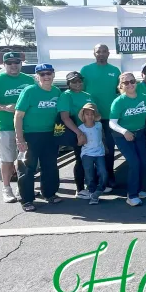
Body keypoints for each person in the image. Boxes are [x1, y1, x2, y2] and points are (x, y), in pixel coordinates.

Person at [0, 52, 35, 204]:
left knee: (25, 159)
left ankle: (22, 187)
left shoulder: (29, 80)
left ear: (20, 64)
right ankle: (6, 189)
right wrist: (4, 107)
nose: (13, 65)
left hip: (27, 126)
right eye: (10, 63)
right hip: (5, 126)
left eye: (16, 62)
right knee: (7, 159)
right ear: (4, 65)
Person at [13, 64, 62, 212]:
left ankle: (49, 193)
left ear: (53, 75)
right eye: (42, 74)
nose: (46, 77)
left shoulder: (57, 91)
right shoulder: (29, 91)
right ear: (37, 77)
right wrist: (20, 139)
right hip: (31, 135)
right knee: (27, 168)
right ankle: (26, 199)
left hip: (50, 135)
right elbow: (18, 116)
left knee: (50, 166)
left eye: (48, 73)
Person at [80, 44, 121, 189]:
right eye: (98, 52)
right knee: (91, 149)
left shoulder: (115, 71)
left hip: (110, 117)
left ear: (109, 54)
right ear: (94, 54)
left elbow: (120, 92)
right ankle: (92, 180)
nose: (101, 54)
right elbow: (80, 92)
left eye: (104, 51)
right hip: (91, 118)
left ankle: (109, 177)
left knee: (108, 148)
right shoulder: (85, 70)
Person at [109, 72, 146, 207]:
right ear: (121, 85)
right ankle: (131, 195)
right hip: (123, 136)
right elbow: (112, 123)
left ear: (136, 82)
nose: (130, 85)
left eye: (132, 81)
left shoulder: (144, 98)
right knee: (134, 163)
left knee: (143, 163)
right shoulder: (119, 101)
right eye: (126, 83)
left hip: (139, 134)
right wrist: (125, 131)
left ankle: (139, 190)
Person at [57, 71, 93, 199]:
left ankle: (91, 186)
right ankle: (80, 189)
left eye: (79, 81)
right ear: (68, 84)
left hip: (90, 131)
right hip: (76, 132)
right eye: (74, 81)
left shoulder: (88, 95)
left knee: (91, 159)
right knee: (80, 159)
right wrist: (79, 133)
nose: (77, 83)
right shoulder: (66, 96)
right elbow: (65, 117)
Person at [77, 103, 108, 205]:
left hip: (99, 152)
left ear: (95, 116)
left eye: (92, 114)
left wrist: (106, 147)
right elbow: (78, 143)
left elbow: (102, 136)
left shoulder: (99, 125)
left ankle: (99, 190)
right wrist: (81, 139)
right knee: (89, 174)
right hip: (87, 153)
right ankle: (92, 191)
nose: (90, 116)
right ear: (83, 116)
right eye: (87, 114)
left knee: (103, 172)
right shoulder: (81, 128)